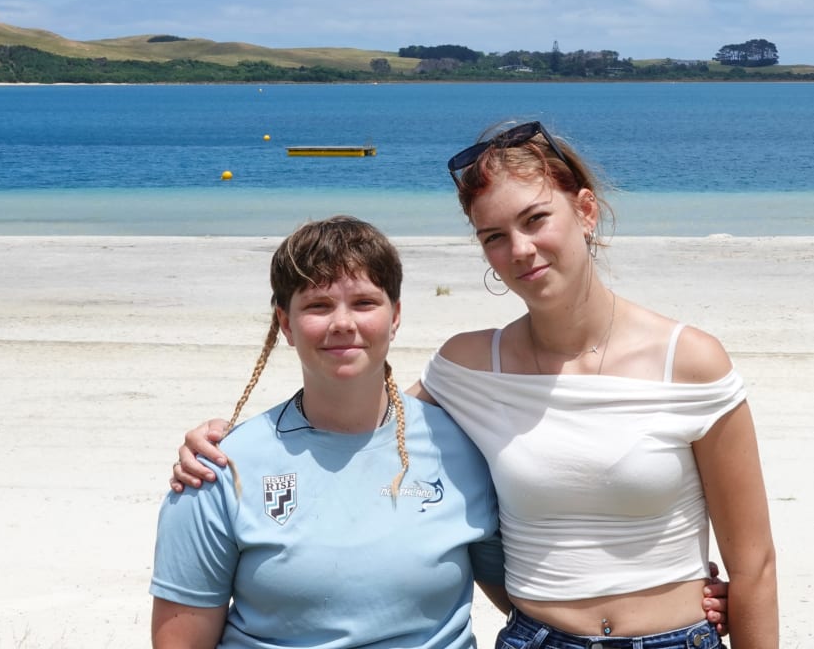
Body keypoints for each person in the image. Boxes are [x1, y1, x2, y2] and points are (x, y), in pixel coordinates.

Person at [170, 122, 748, 643]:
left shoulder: (689, 359)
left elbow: (756, 564)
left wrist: (708, 604)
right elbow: (366, 412)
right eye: (493, 235)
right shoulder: (466, 368)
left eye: (535, 218)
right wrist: (224, 440)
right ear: (285, 323)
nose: (518, 249)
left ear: (587, 211)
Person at [150, 216, 508, 648]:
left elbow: (532, 596)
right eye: (318, 305)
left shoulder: (462, 448)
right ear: (286, 323)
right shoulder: (220, 468)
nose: (342, 323)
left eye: (364, 303)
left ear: (395, 317)